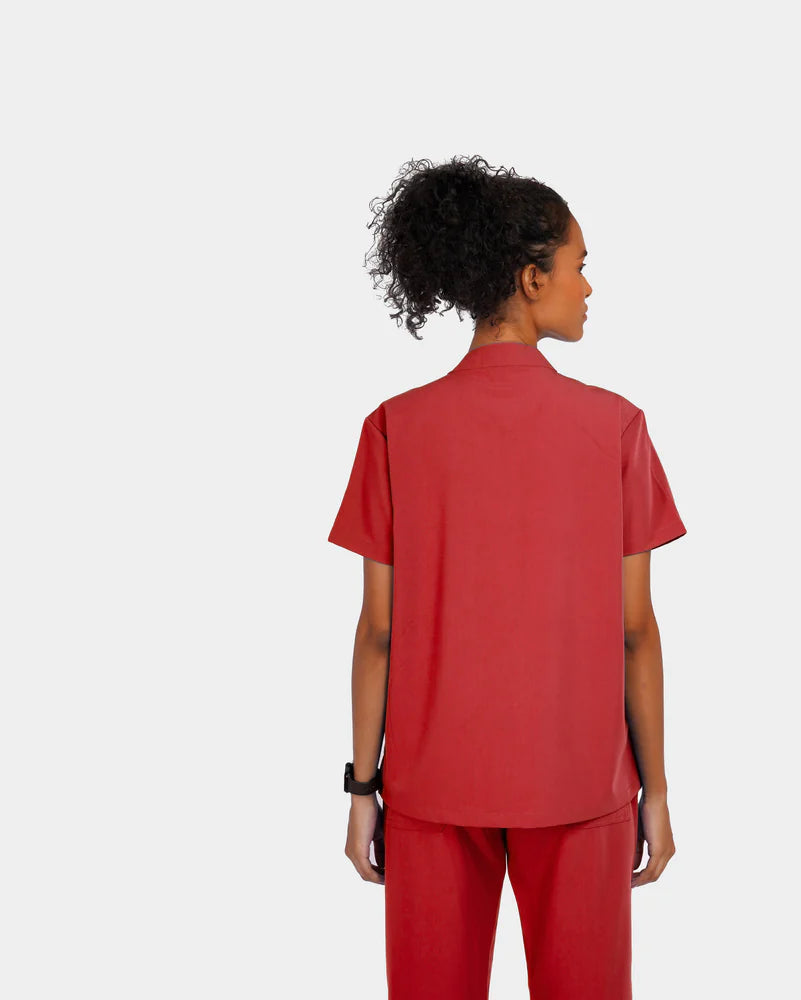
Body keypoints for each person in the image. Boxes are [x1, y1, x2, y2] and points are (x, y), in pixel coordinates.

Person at [328, 154, 688, 1000]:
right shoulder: (616, 427)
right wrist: (657, 791)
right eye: (579, 266)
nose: (588, 288)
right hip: (580, 783)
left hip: (430, 785)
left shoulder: (395, 427)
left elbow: (379, 631)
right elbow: (635, 629)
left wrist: (362, 788)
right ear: (531, 279)